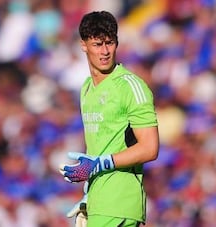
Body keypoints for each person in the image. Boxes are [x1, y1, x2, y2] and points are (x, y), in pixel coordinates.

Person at [59, 11, 159, 227]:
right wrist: (90, 195)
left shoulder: (130, 86)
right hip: (99, 203)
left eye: (109, 43)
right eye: (97, 44)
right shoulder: (86, 88)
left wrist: (100, 163)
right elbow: (99, 146)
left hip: (120, 202)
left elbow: (150, 148)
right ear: (83, 45)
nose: (104, 51)